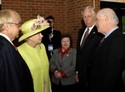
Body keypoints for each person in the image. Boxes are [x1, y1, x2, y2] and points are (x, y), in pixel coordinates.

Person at [88, 8, 125, 92]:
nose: (95, 23)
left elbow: (111, 76)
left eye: (97, 20)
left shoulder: (117, 41)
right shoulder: (107, 38)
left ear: (107, 19)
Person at [0, 9, 34, 92]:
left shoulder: (5, 44)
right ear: (6, 26)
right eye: (18, 25)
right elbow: (12, 82)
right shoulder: (4, 48)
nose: (20, 29)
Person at [17, 15, 51, 92]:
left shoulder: (42, 46)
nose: (42, 35)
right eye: (38, 33)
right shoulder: (19, 51)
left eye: (41, 33)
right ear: (29, 36)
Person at [75, 6, 104, 91]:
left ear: (95, 17)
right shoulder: (81, 31)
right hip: (81, 74)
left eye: (89, 16)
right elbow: (79, 54)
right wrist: (77, 71)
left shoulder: (100, 32)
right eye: (84, 17)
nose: (86, 19)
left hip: (93, 76)